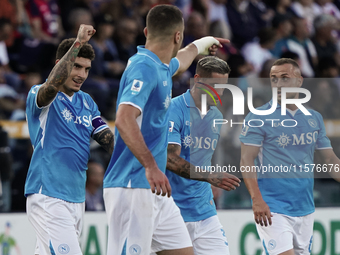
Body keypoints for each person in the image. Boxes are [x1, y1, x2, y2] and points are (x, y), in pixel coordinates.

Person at [103, 5, 229, 255]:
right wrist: (151, 165)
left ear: (146, 31)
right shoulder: (144, 67)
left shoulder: (160, 66)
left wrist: (203, 43)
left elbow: (182, 60)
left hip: (156, 190)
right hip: (133, 183)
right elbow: (124, 118)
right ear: (177, 35)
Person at [25, 24, 114, 255]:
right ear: (61, 65)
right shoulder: (41, 94)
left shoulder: (87, 102)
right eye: (76, 66)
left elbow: (108, 140)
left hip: (76, 198)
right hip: (48, 194)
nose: (82, 75)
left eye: (86, 69)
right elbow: (51, 85)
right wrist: (78, 43)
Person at [239, 58, 340, 254]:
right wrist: (257, 199)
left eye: (284, 78)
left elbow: (330, 159)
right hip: (272, 206)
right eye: (273, 78)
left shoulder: (314, 117)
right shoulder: (258, 117)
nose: (278, 83)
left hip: (305, 207)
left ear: (299, 81)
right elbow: (246, 159)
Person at [165, 56, 240, 255]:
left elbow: (204, 156)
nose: (219, 92)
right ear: (197, 79)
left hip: (204, 209)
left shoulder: (216, 115)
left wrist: (211, 178)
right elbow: (170, 159)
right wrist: (209, 176)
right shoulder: (173, 109)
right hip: (172, 210)